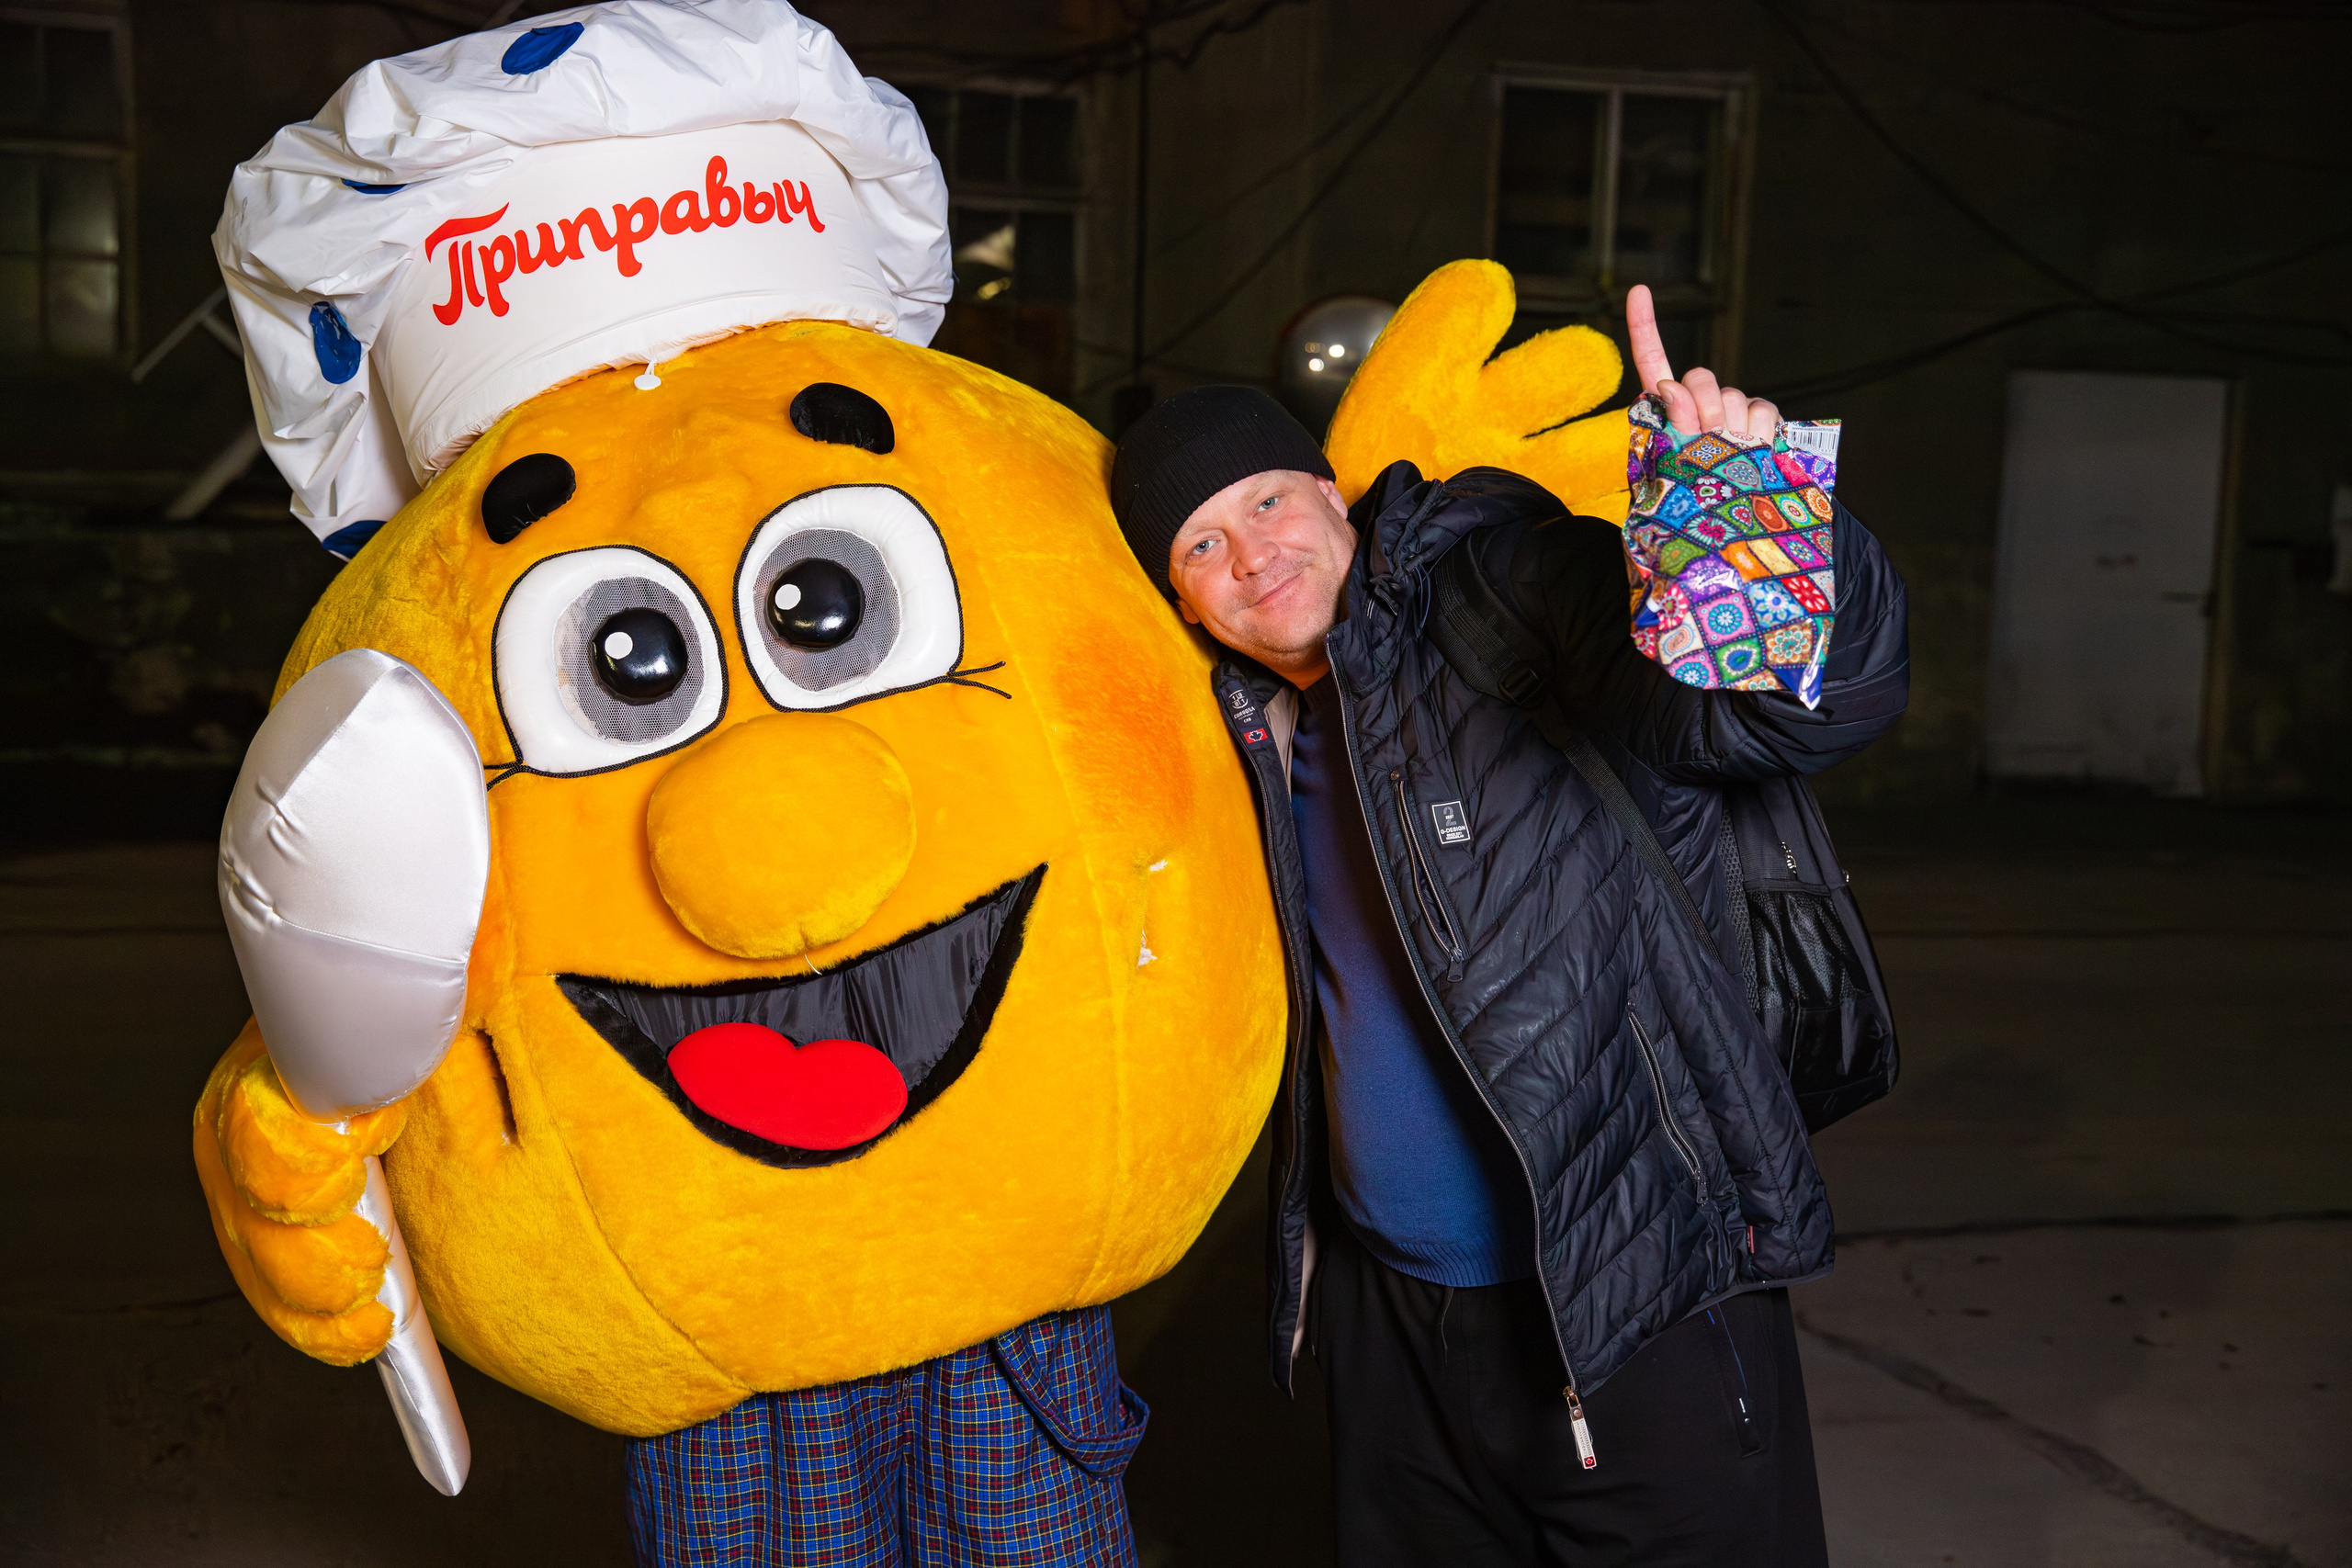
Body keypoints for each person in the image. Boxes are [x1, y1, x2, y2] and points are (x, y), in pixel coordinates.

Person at [1108, 285, 1910, 1566]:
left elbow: (1778, 713)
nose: (1249, 555)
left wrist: (1745, 519)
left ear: (1331, 488)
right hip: (1394, 1331)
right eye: (1198, 547)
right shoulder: (1253, 735)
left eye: (1261, 501)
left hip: (1627, 1295)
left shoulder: (1499, 596)